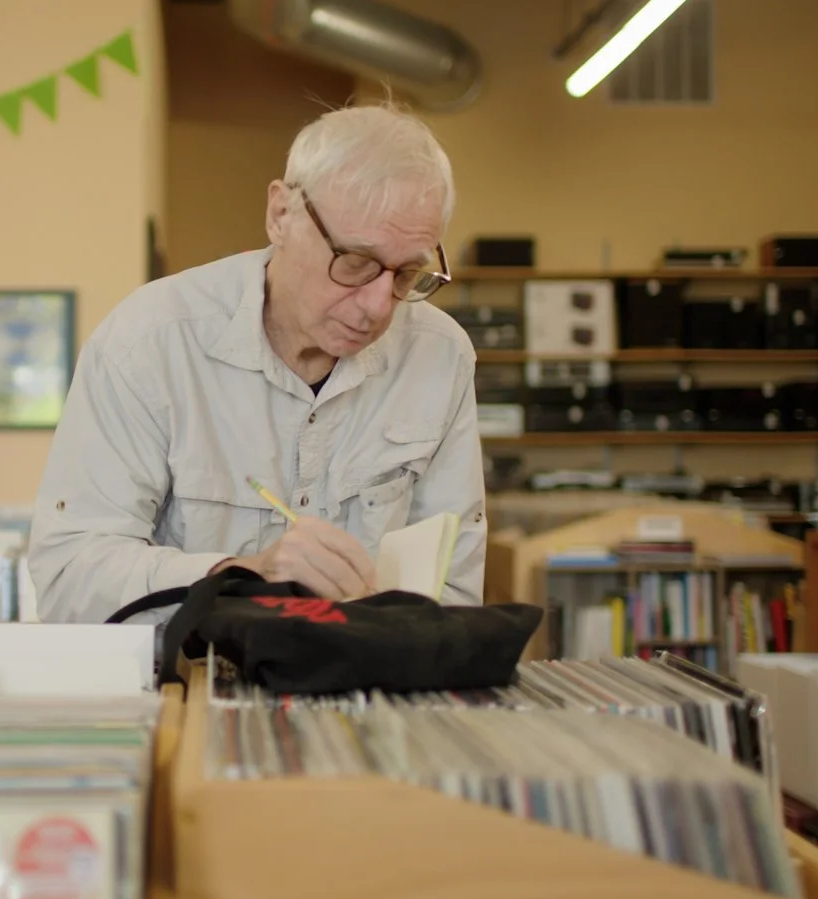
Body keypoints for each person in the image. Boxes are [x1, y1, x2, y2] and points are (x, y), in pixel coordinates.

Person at [29, 103, 487, 624]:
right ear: (280, 215)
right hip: (184, 689)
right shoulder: (148, 344)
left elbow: (453, 595)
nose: (379, 306)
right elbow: (70, 582)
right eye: (355, 264)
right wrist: (241, 578)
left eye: (407, 274)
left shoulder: (440, 356)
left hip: (367, 689)